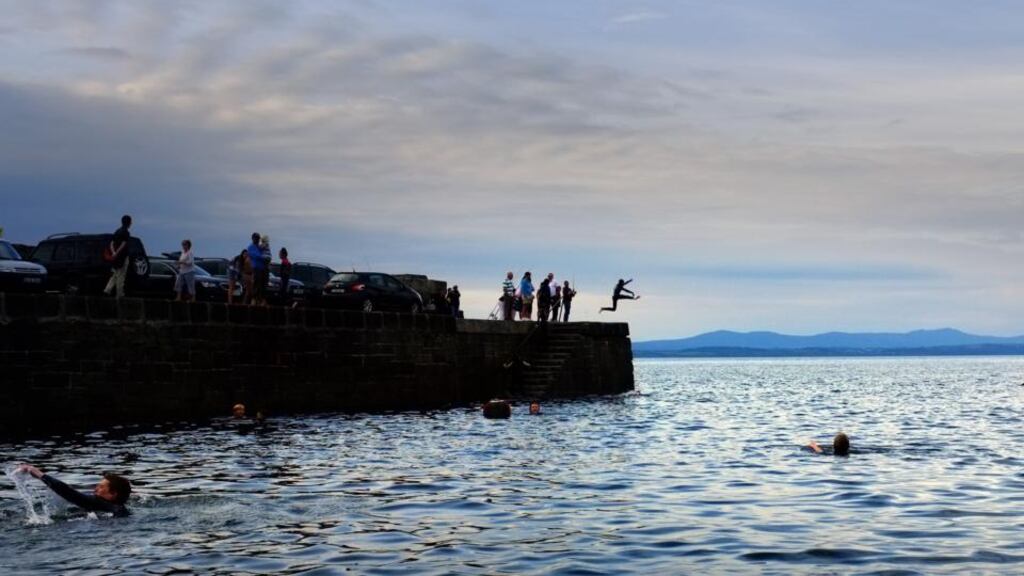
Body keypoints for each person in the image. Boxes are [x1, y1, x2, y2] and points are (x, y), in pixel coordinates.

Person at [15, 464, 131, 517]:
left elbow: (69, 493)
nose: (95, 489)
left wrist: (37, 472)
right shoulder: (121, 510)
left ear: (113, 494)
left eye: (101, 487)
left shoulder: (100, 503)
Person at [103, 214, 132, 298]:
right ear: (129, 223)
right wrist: (117, 252)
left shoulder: (117, 231)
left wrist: (113, 252)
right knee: (121, 276)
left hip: (115, 258)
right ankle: (119, 294)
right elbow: (123, 244)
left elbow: (111, 243)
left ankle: (107, 290)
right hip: (122, 257)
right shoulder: (126, 232)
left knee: (115, 274)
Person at [247, 233, 264, 306]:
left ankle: (259, 300)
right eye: (256, 238)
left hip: (261, 268)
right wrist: (263, 256)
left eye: (258, 238)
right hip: (255, 267)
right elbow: (257, 256)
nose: (257, 239)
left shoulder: (259, 247)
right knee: (255, 284)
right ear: (253, 238)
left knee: (260, 285)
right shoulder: (251, 247)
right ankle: (254, 300)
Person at [259, 235, 272, 306]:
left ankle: (262, 301)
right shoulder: (267, 245)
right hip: (267, 260)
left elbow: (259, 248)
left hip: (265, 260)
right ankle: (263, 301)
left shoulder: (264, 245)